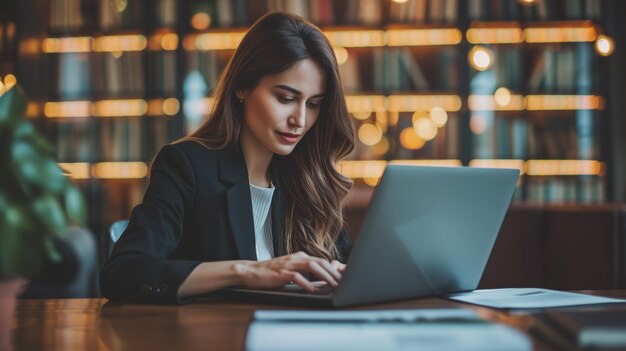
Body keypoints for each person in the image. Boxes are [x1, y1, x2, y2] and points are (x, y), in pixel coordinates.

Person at [100, 12, 355, 304]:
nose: (300, 119)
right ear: (242, 87)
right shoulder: (186, 166)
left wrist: (342, 272)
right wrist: (245, 272)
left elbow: (350, 268)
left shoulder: (309, 178)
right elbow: (121, 274)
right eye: (285, 98)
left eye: (313, 104)